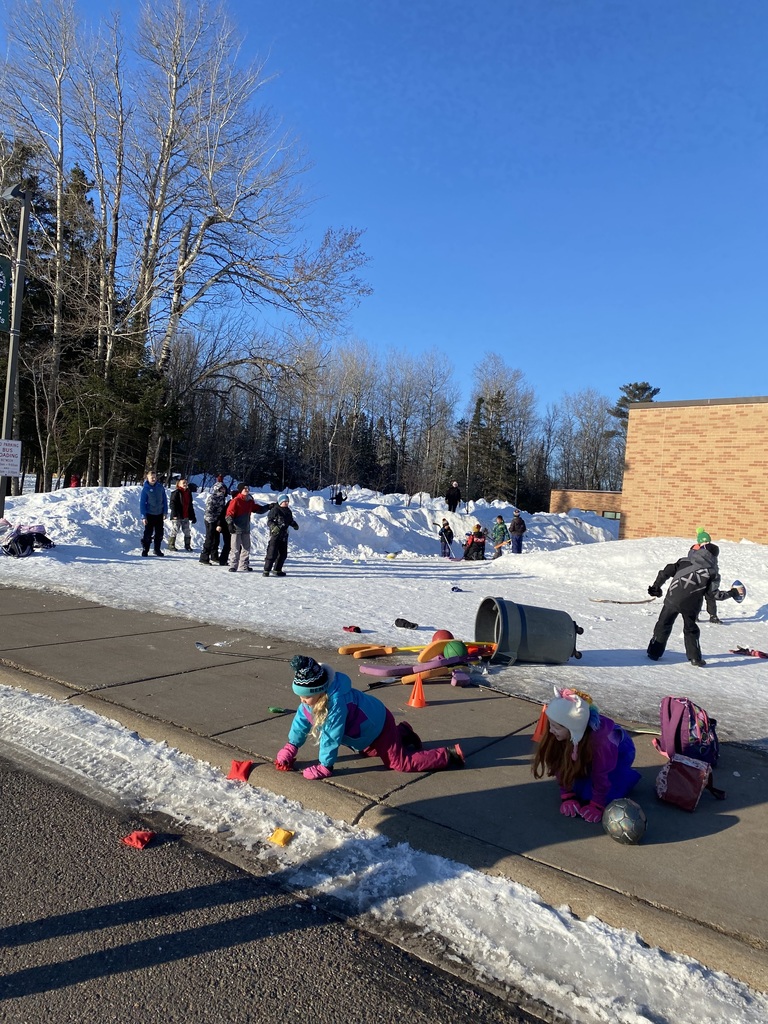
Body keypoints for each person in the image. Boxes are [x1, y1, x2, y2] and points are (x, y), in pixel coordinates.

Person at [274, 655, 465, 779]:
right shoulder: (311, 701)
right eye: (300, 696)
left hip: (379, 725)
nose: (302, 700)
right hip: (369, 730)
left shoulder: (336, 704)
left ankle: (449, 755)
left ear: (320, 691)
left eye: (305, 696)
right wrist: (291, 747)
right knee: (368, 751)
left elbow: (331, 737)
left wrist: (325, 767)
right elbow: (301, 722)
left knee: (399, 763)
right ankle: (403, 733)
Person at [531, 688, 641, 823]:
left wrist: (597, 804)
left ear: (572, 729)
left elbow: (601, 777)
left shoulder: (602, 743)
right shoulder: (563, 734)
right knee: (578, 783)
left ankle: (626, 776)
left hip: (619, 755)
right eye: (550, 725)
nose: (550, 730)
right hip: (584, 745)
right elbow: (559, 762)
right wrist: (567, 794)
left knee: (592, 792)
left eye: (556, 727)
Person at [646, 542, 741, 667]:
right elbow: (714, 595)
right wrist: (733, 593)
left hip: (672, 599)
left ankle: (654, 653)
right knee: (691, 630)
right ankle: (695, 658)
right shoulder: (713, 573)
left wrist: (656, 587)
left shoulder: (684, 561)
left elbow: (665, 572)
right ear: (714, 557)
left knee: (663, 624)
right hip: (691, 605)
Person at [225, 484, 272, 573]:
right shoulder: (236, 500)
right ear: (240, 490)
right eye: (244, 488)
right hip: (236, 528)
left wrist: (268, 507)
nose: (247, 490)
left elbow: (258, 509)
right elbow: (229, 514)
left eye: (248, 488)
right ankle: (233, 566)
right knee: (235, 548)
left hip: (246, 528)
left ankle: (244, 565)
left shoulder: (249, 501)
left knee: (246, 548)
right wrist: (230, 524)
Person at [689, 529, 721, 623]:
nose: (707, 544)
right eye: (705, 542)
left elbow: (713, 562)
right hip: (699, 576)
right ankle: (694, 615)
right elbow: (692, 560)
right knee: (697, 597)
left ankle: (713, 615)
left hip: (710, 576)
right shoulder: (695, 551)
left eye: (708, 542)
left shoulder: (711, 550)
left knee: (710, 596)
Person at [263, 494, 299, 576]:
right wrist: (273, 526)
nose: (286, 503)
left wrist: (294, 524)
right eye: (284, 501)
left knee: (283, 554)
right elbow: (269, 521)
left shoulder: (288, 511)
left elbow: (290, 520)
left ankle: (277, 569)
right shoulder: (275, 510)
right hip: (275, 535)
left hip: (284, 535)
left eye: (287, 502)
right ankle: (266, 570)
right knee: (272, 553)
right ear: (280, 502)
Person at [199, 481, 230, 565]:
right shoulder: (213, 497)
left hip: (217, 521)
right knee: (209, 539)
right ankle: (204, 557)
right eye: (221, 489)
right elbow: (209, 510)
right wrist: (215, 521)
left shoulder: (222, 498)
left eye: (224, 489)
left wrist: (219, 522)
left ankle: (214, 556)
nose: (223, 490)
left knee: (216, 539)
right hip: (210, 520)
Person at [139, 470, 168, 557]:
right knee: (148, 533)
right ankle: (145, 549)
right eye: (152, 477)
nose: (153, 479)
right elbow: (142, 503)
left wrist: (165, 512)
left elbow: (164, 500)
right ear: (147, 478)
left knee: (159, 533)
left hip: (159, 514)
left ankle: (157, 549)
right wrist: (143, 516)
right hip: (149, 514)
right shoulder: (145, 489)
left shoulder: (160, 487)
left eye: (155, 477)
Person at [168, 478, 197, 551]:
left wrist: (193, 516)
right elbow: (172, 504)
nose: (185, 484)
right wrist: (174, 514)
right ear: (179, 484)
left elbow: (190, 505)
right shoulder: (176, 492)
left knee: (187, 531)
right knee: (175, 530)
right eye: (183, 483)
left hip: (186, 515)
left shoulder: (188, 493)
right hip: (177, 516)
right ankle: (171, 545)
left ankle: (187, 545)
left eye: (186, 483)